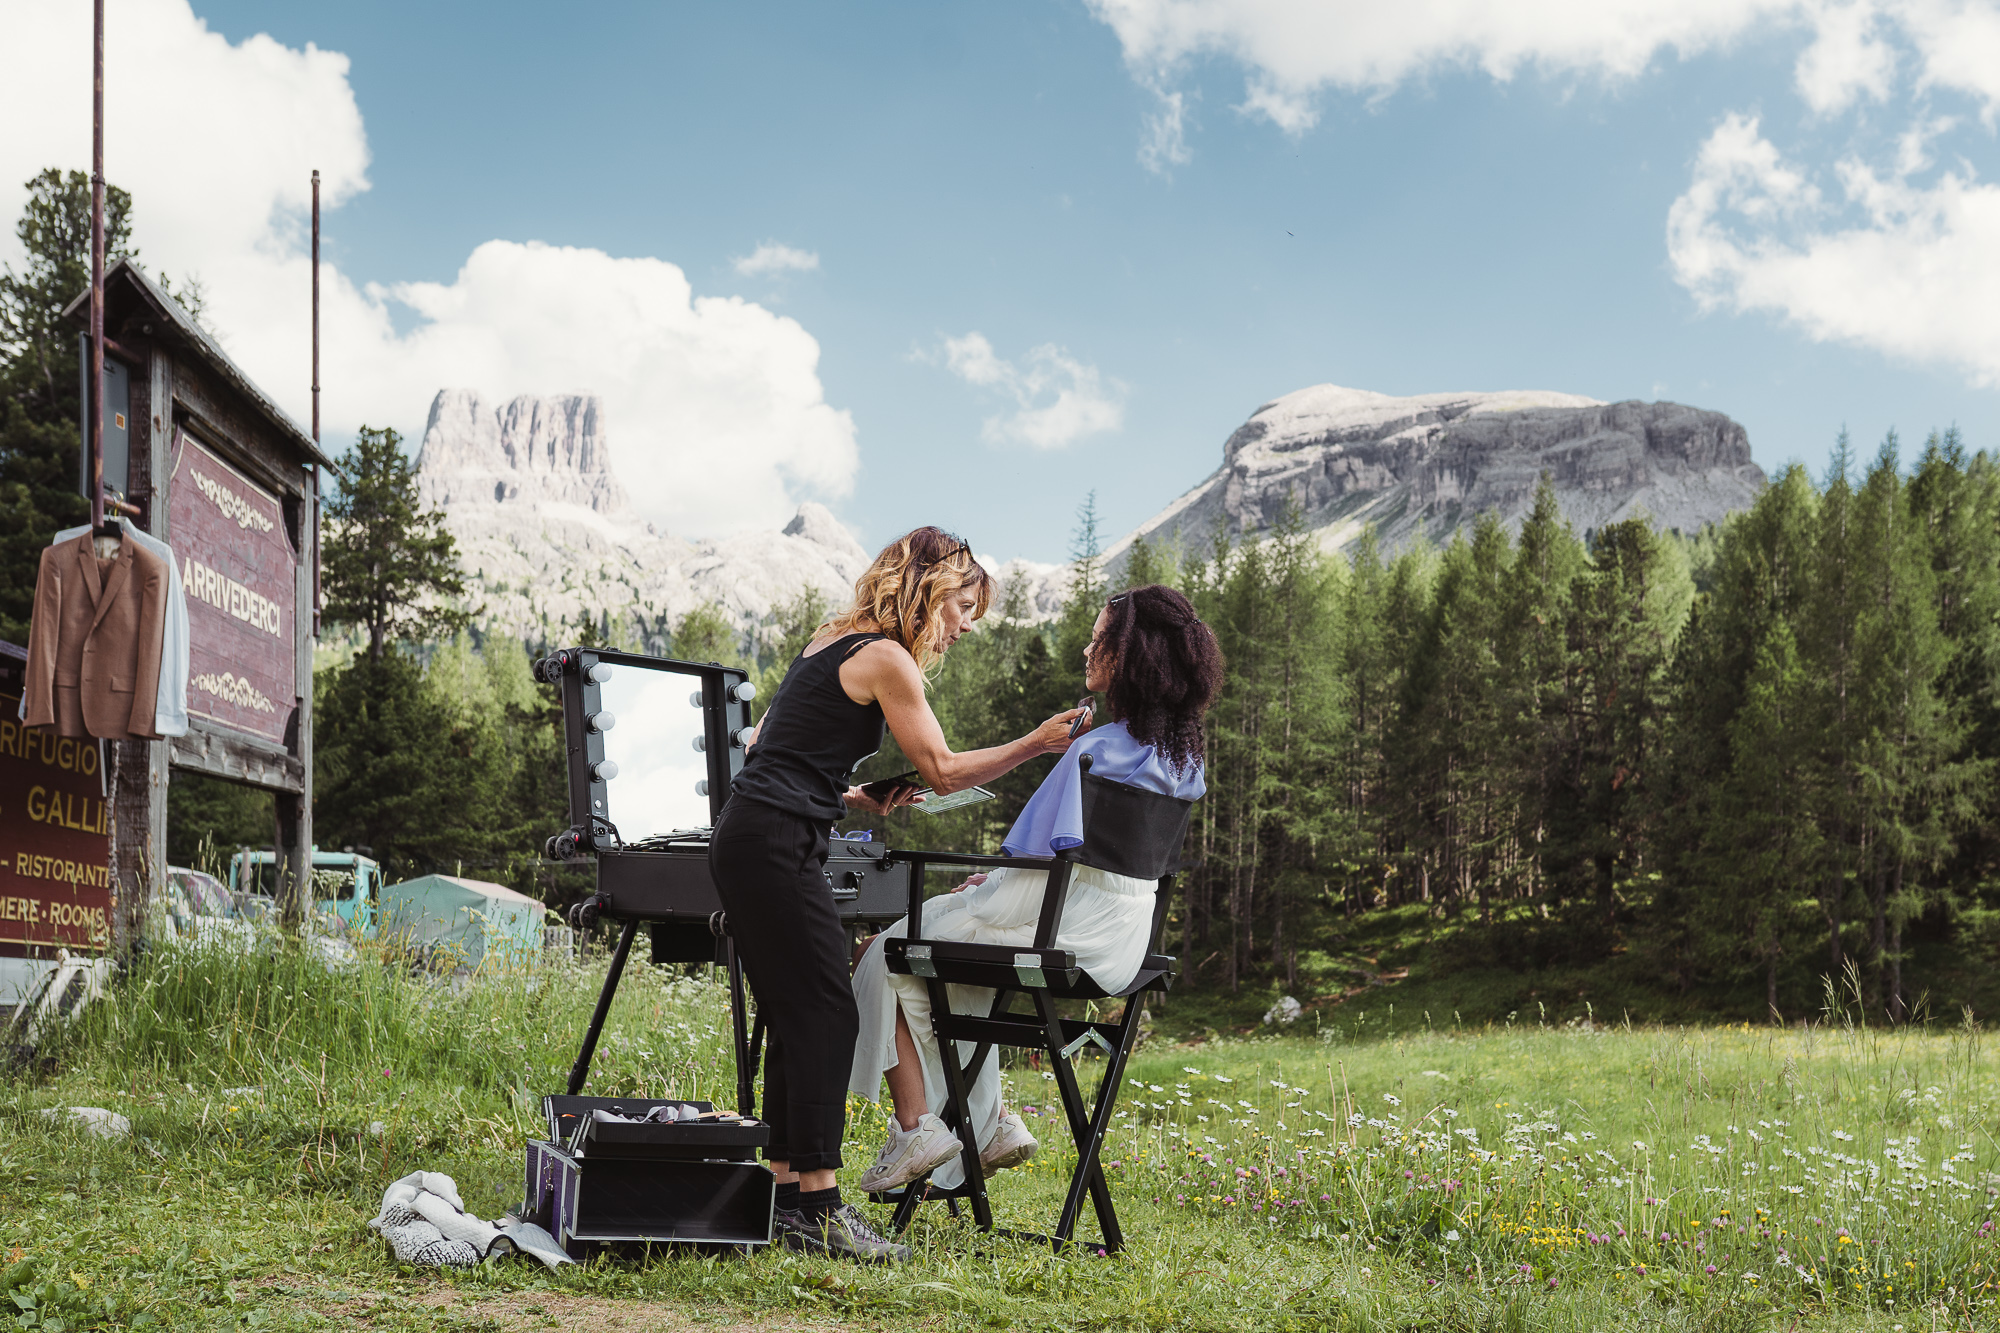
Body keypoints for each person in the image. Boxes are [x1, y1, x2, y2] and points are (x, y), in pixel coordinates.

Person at [708, 526, 1087, 1264]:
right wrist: (1037, 743)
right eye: (962, 606)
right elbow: (944, 769)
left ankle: (787, 1195)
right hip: (775, 840)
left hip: (755, 833)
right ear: (928, 588)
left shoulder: (834, 639)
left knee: (796, 1013)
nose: (966, 624)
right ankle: (819, 1205)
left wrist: (853, 793)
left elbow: (776, 748)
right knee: (827, 1009)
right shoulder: (886, 657)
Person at [848, 584, 1223, 1195]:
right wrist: (1002, 881)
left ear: (1130, 656)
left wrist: (987, 884)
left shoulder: (1093, 750)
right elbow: (1080, 863)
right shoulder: (1183, 762)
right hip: (1119, 941)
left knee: (883, 955)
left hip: (1060, 931)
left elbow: (1032, 862)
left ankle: (916, 1127)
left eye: (1099, 639)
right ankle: (990, 1123)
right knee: (948, 971)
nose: (1086, 647)